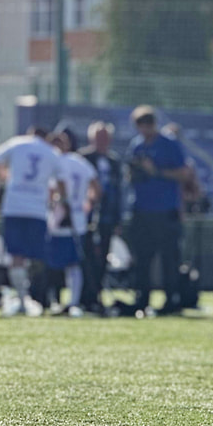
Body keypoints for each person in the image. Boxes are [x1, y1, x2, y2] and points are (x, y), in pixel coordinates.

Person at [0, 127, 67, 317]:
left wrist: (5, 177)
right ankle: (34, 296)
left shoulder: (17, 143)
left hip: (14, 207)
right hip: (37, 210)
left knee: (16, 255)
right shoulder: (51, 152)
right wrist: (59, 201)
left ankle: (22, 298)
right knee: (37, 256)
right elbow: (61, 182)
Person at [125, 105, 191, 316]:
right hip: (142, 209)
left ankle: (171, 299)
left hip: (165, 209)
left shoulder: (169, 145)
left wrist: (156, 172)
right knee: (142, 257)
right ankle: (142, 299)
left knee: (169, 258)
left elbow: (183, 174)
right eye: (141, 126)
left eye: (148, 125)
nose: (145, 130)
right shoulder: (136, 146)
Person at [46, 128, 100, 316]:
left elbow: (54, 191)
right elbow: (96, 188)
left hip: (61, 219)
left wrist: (57, 205)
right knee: (73, 263)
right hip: (77, 219)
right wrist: (87, 205)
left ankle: (62, 301)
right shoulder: (81, 163)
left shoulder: (57, 163)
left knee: (59, 263)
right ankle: (71, 301)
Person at [79, 121, 122, 311]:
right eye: (98, 137)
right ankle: (83, 296)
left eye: (105, 137)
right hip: (84, 218)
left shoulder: (114, 162)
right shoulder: (82, 158)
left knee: (102, 258)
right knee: (85, 258)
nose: (102, 141)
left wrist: (117, 219)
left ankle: (96, 295)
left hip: (106, 218)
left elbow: (119, 192)